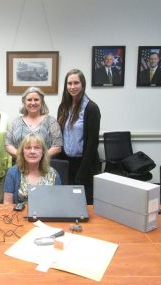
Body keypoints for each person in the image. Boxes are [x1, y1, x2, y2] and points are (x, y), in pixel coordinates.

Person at [57, 69, 101, 205]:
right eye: (69, 83)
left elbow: (93, 144)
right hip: (66, 163)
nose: (72, 87)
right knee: (67, 202)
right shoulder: (63, 107)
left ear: (83, 84)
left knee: (83, 204)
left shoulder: (91, 108)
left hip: (85, 165)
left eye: (76, 83)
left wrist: (81, 173)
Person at [5, 86, 62, 159]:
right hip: (19, 165)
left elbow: (57, 146)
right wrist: (23, 157)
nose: (33, 102)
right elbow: (8, 144)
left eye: (36, 99)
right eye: (29, 100)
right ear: (24, 102)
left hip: (44, 167)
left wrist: (37, 158)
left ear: (41, 102)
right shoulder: (16, 122)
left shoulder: (51, 121)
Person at [3, 134, 61, 204]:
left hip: (46, 214)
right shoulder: (12, 172)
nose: (32, 152)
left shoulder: (54, 174)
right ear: (22, 152)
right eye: (28, 148)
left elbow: (57, 203)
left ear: (43, 152)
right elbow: (7, 203)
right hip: (19, 214)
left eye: (37, 148)